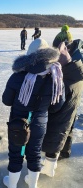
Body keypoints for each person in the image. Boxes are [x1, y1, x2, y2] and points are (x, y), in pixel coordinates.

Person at [2, 38, 65, 188]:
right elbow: (58, 104)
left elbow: (6, 100)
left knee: (16, 152)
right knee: (34, 153)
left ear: (29, 56)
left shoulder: (18, 76)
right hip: (39, 122)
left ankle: (12, 185)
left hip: (18, 122)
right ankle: (33, 184)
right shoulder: (55, 76)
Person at [41, 41, 83, 176]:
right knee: (67, 131)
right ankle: (65, 152)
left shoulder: (64, 79)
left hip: (60, 115)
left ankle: (49, 169)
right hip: (71, 111)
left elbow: (54, 106)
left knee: (55, 138)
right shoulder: (76, 70)